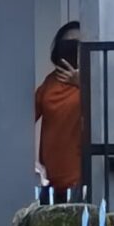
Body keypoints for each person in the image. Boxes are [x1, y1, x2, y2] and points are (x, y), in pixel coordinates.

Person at [34, 20, 86, 196]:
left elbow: (105, 113)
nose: (73, 48)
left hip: (81, 178)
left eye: (78, 44)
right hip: (50, 180)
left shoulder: (94, 79)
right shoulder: (50, 82)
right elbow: (25, 116)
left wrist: (82, 83)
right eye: (68, 45)